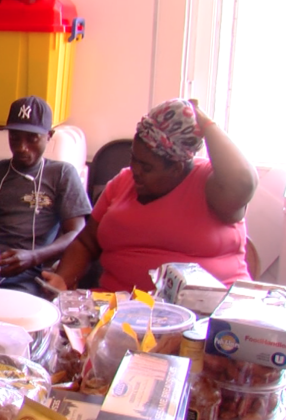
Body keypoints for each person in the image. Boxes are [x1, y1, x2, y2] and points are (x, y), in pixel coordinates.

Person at [42, 98, 257, 293]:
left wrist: (206, 123)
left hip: (205, 322)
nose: (135, 169)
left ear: (176, 168)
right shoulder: (122, 182)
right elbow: (86, 243)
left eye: (146, 166)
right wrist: (62, 279)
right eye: (133, 158)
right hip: (118, 314)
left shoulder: (214, 186)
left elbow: (244, 182)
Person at [0, 96, 91, 296]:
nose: (22, 147)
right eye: (15, 137)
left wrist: (33, 257)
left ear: (49, 136)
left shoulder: (62, 175)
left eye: (32, 138)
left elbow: (77, 233)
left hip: (28, 275)